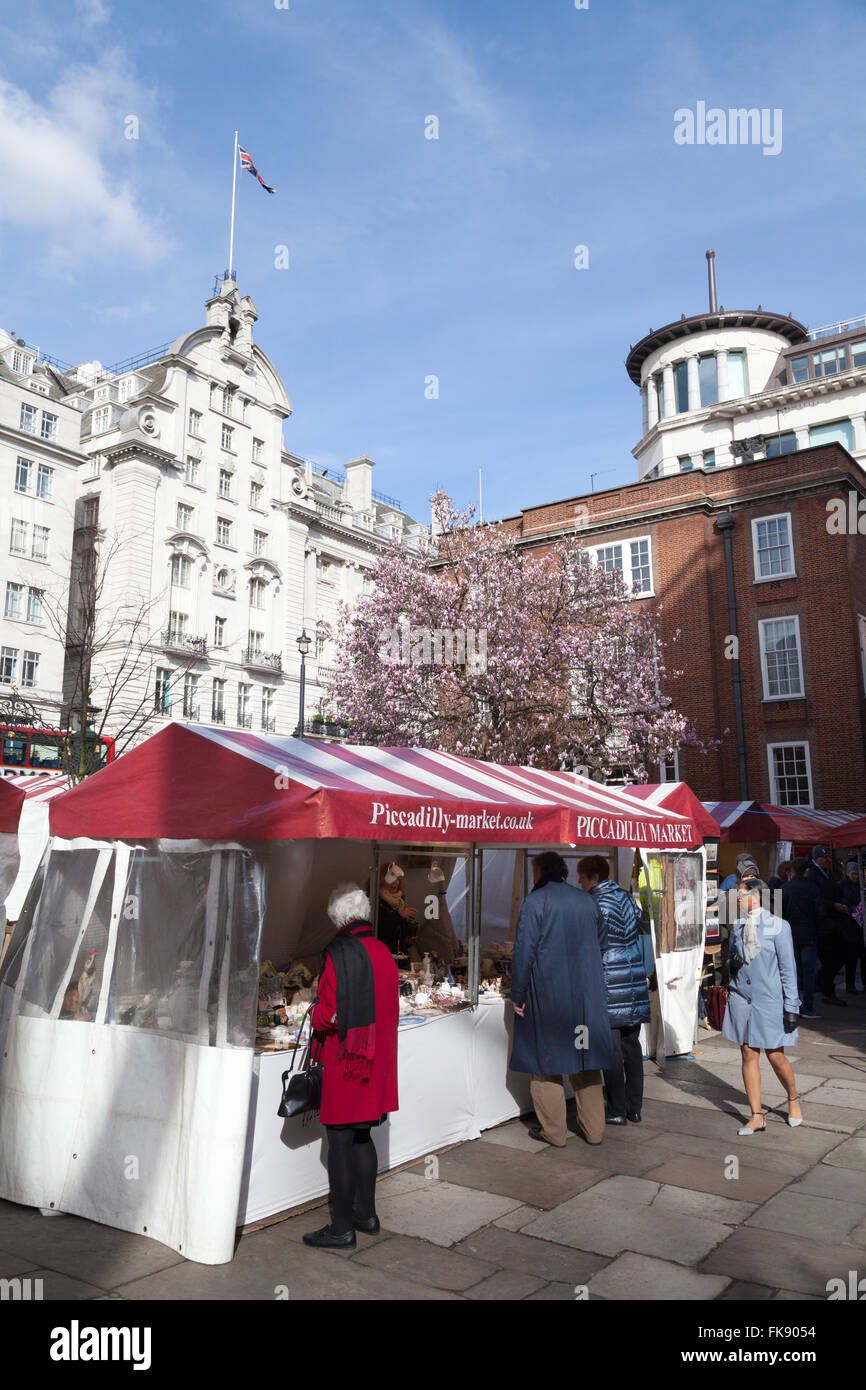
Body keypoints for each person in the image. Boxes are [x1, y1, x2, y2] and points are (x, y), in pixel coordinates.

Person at [303, 883, 398, 1249]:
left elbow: (331, 1014)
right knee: (362, 1135)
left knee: (340, 1140)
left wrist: (315, 1013)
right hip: (375, 1060)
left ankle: (341, 1227)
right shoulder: (382, 951)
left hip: (347, 1060)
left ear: (337, 918)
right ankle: (367, 1215)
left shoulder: (338, 954)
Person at [509, 851, 615, 1148]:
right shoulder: (586, 900)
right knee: (586, 1063)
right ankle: (594, 1131)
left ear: (540, 871)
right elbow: (602, 943)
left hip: (549, 996)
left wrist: (517, 994)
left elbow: (524, 953)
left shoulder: (536, 901)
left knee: (546, 1065)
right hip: (586, 998)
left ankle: (554, 1133)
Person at [722, 875, 802, 1133]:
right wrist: (730, 964)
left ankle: (793, 1099)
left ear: (754, 897)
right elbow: (735, 957)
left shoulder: (779, 926)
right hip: (742, 998)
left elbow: (788, 970)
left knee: (776, 1056)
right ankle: (757, 1116)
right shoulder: (738, 924)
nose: (736, 897)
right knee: (747, 1053)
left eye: (740, 893)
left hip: (768, 1000)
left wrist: (792, 1007)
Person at [577, 855, 651, 1125]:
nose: (579, 883)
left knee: (612, 1049)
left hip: (610, 979)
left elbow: (591, 946)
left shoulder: (593, 903)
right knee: (632, 1046)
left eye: (582, 878)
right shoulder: (626, 897)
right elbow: (639, 927)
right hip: (633, 973)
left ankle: (617, 1109)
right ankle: (635, 1107)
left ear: (594, 877)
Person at [781, 857, 822, 1018]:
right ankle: (808, 1007)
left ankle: (792, 1006)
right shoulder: (813, 888)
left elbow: (779, 913)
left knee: (792, 971)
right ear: (806, 870)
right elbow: (819, 913)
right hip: (809, 934)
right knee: (808, 972)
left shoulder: (785, 888)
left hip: (790, 935)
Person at [807, 845, 848, 1006]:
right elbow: (816, 898)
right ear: (816, 858)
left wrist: (841, 904)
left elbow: (837, 891)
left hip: (834, 922)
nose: (827, 859)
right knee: (830, 958)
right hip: (823, 924)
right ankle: (828, 990)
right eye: (823, 857)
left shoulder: (829, 873)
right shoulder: (812, 874)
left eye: (828, 857)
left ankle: (823, 982)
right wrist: (833, 906)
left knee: (839, 956)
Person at [375, 861, 418, 957]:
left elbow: (399, 933)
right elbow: (379, 928)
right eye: (390, 879)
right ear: (381, 881)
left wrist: (409, 939)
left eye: (397, 879)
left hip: (400, 956)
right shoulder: (375, 901)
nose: (395, 882)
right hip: (381, 955)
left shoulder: (399, 901)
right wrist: (398, 915)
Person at [840, 860, 865, 994]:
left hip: (860, 927)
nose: (855, 876)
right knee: (851, 958)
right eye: (853, 873)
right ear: (848, 873)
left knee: (862, 957)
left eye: (856, 873)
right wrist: (852, 910)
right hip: (850, 926)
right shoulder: (842, 886)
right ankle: (850, 984)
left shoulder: (860, 885)